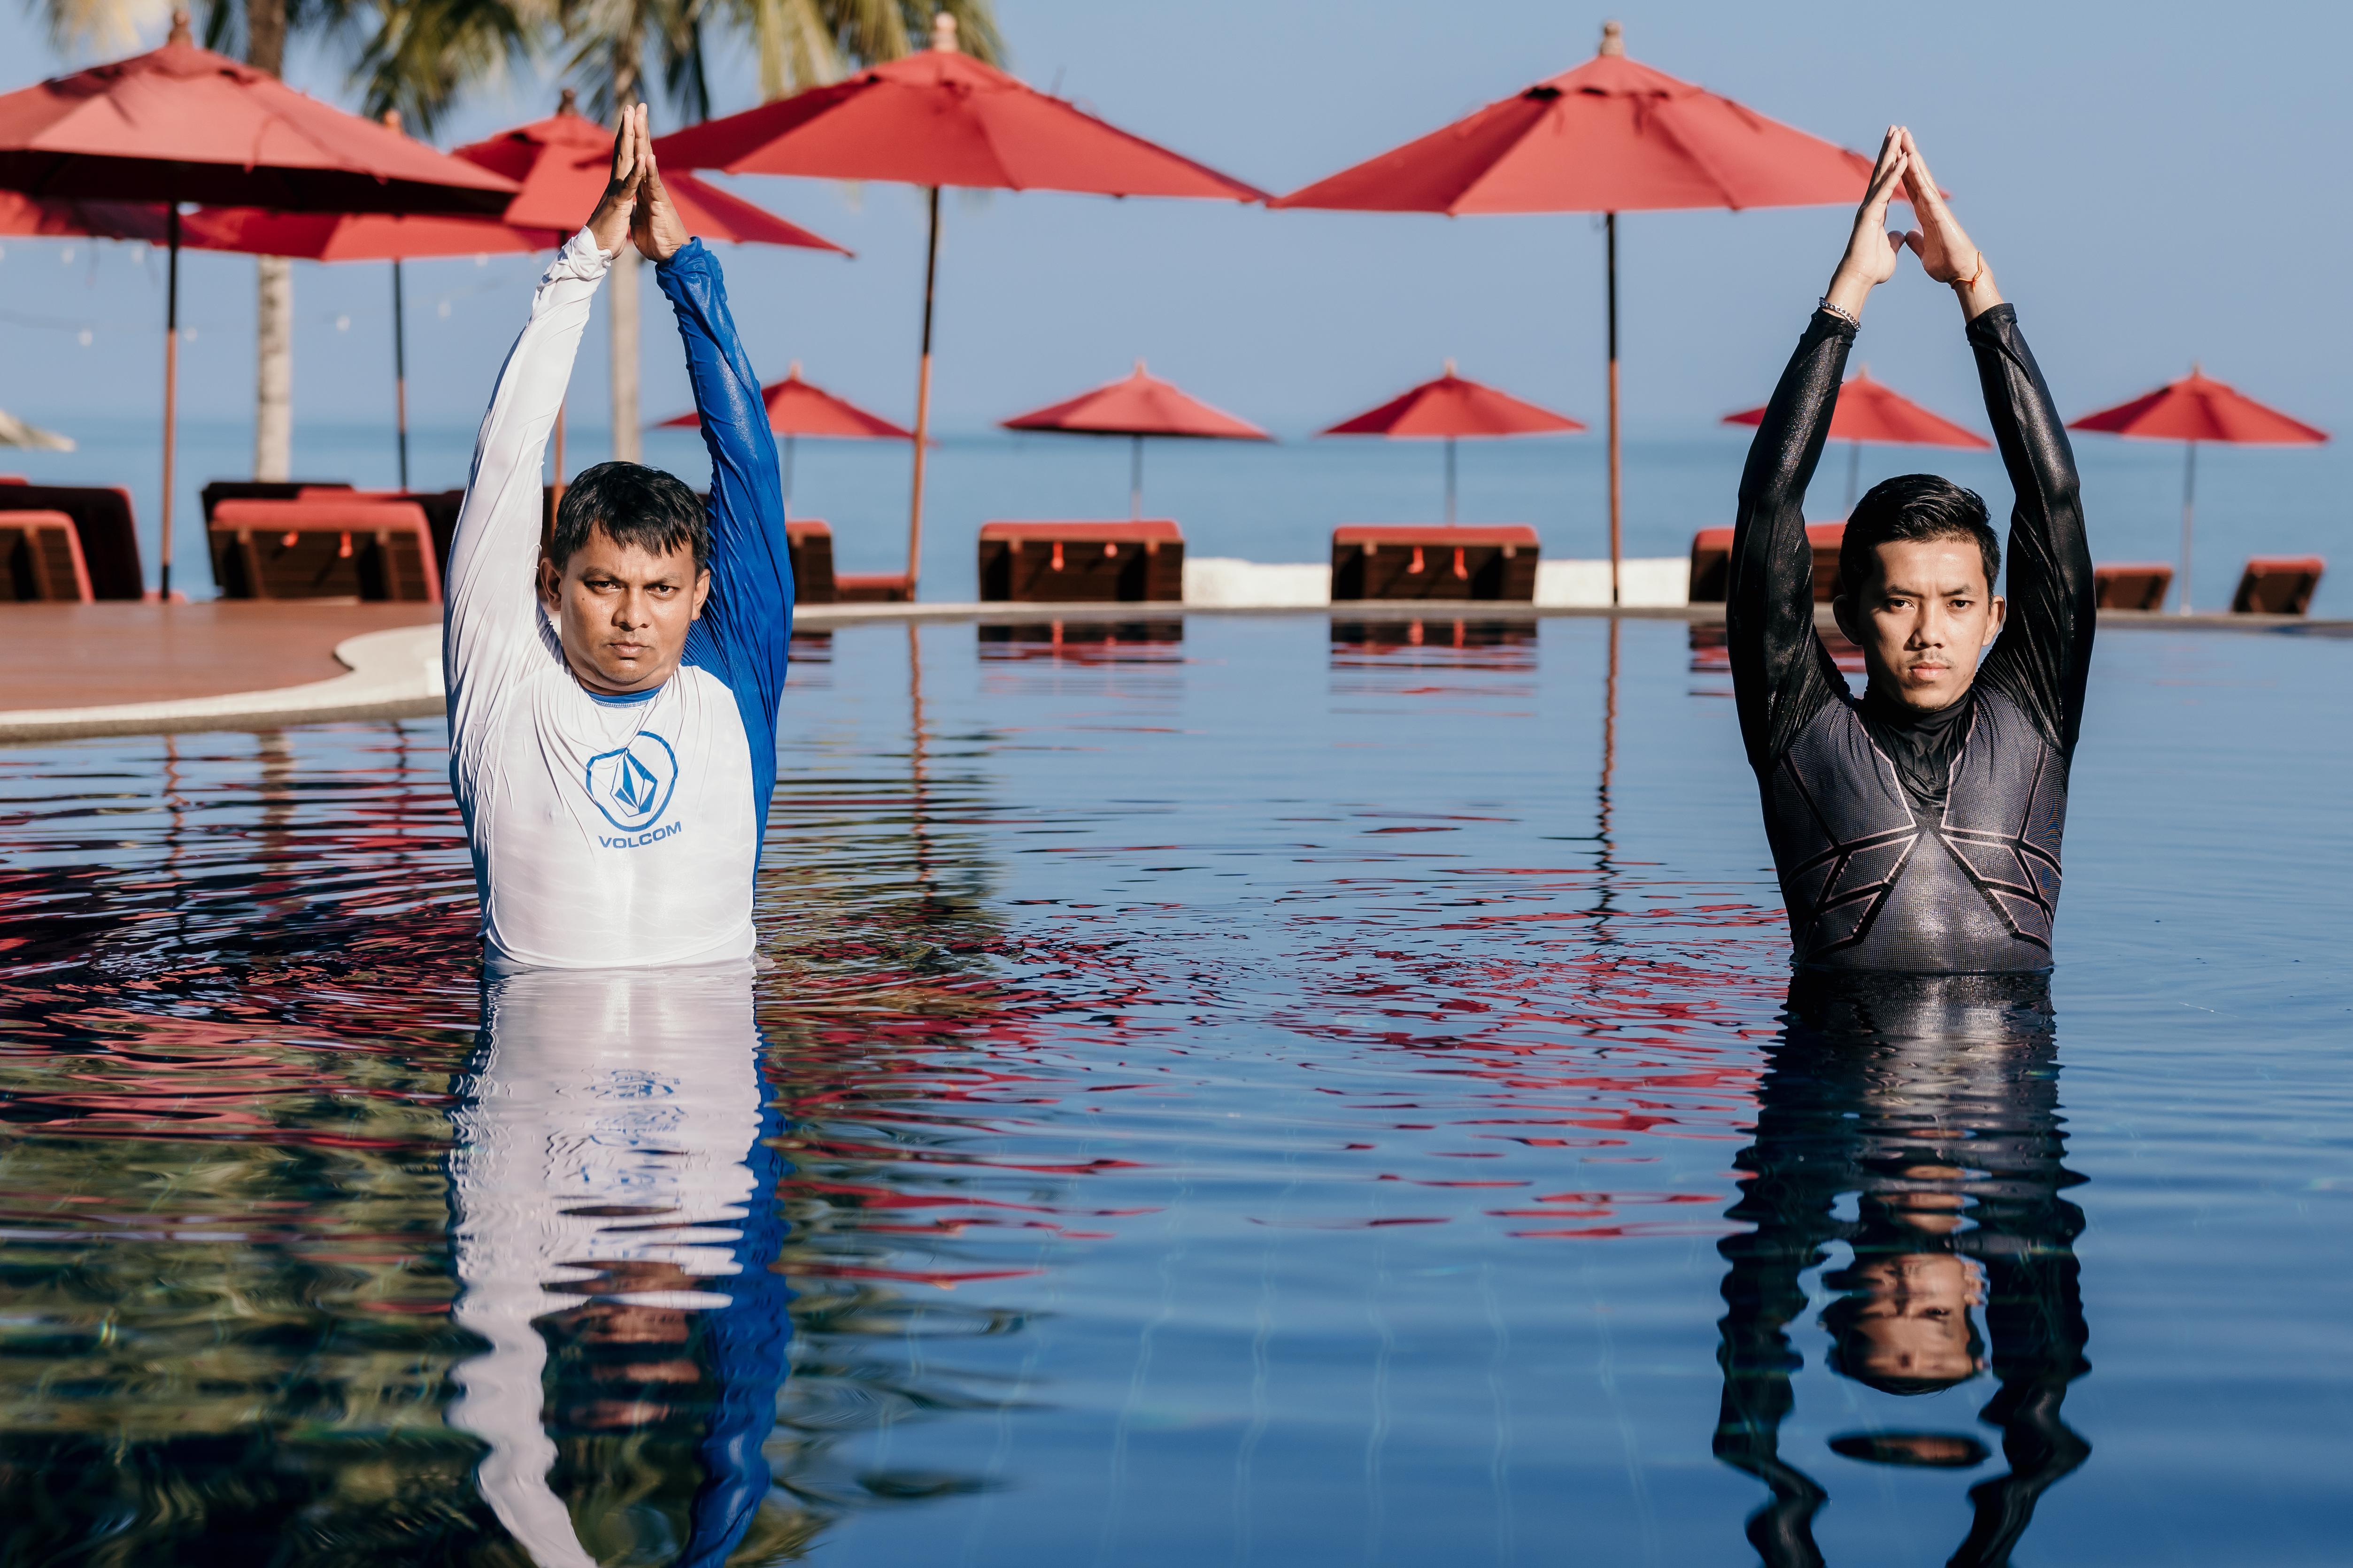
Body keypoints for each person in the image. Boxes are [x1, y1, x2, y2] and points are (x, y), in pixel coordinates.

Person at [1728, 128, 2094, 973]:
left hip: (2014, 1091)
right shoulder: (1799, 728)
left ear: (1994, 615)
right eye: (1900, 602)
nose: (1932, 631)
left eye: (1958, 603)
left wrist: (1977, 289)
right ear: (1850, 613)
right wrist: (1846, 293)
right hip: (1828, 1087)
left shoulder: (2032, 716)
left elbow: (2054, 502)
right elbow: (1768, 506)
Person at [444, 107, 793, 970]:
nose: (635, 616)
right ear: (550, 584)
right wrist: (584, 264)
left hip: (721, 1082)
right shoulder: (503, 678)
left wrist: (685, 267)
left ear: (700, 595)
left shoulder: (735, 672)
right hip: (530, 1083)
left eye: (662, 590)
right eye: (604, 585)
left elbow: (748, 467)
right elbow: (506, 456)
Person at [1712, 971, 2092, 1568]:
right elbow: (2047, 1380)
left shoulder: (1810, 1179)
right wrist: (2003, 1522)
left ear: (1844, 1292)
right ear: (1972, 1287)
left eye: (1884, 1306)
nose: (1907, 1288)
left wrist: (1782, 1502)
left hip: (1836, 1040)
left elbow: (1753, 1322)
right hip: (2000, 1014)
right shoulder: (2016, 1197)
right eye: (1933, 1313)